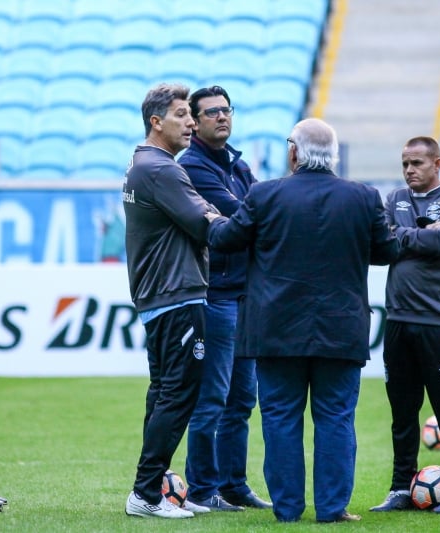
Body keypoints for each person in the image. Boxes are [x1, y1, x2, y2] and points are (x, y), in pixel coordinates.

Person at [205, 118, 399, 523]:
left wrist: (211, 217)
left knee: (279, 418)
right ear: (334, 156)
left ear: (293, 152)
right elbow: (386, 251)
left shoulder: (264, 195)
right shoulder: (363, 197)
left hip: (275, 329)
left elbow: (225, 240)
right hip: (341, 328)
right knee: (335, 418)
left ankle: (288, 510)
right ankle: (331, 509)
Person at [122, 83, 217, 519]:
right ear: (156, 122)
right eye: (182, 114)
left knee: (163, 393)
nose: (192, 122)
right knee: (177, 394)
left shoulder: (143, 165)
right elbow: (204, 223)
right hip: (176, 293)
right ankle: (145, 492)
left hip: (160, 294)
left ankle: (151, 488)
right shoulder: (161, 169)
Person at [176, 85, 271, 512]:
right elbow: (243, 215)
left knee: (241, 400)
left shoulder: (237, 163)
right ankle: (201, 489)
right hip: (215, 295)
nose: (222, 117)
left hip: (244, 295)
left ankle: (234, 484)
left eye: (226, 110)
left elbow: (255, 210)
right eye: (212, 112)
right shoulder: (193, 166)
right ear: (195, 121)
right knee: (212, 398)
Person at [370, 136, 440, 515]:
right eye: (405, 164)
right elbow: (382, 245)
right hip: (398, 319)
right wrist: (420, 234)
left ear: (437, 164)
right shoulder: (394, 197)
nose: (409, 170)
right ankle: (401, 487)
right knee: (402, 412)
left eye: (417, 163)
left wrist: (406, 235)